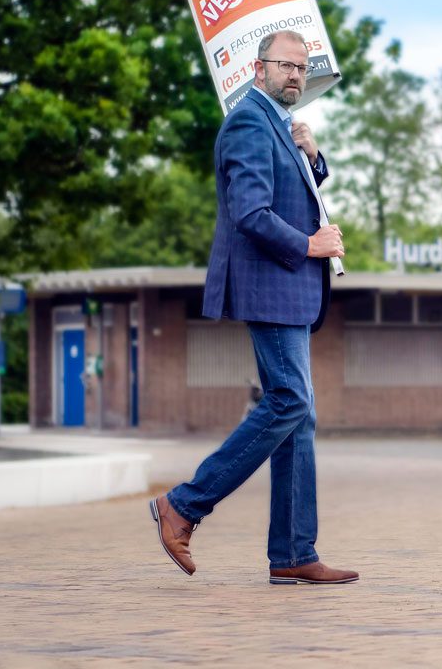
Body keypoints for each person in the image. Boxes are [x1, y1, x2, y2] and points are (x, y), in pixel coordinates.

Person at [149, 29, 355, 585]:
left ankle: (293, 552)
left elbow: (295, 193)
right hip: (272, 284)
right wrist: (310, 245)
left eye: (302, 67)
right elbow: (251, 212)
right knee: (289, 401)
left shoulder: (283, 127)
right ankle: (184, 505)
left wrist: (313, 157)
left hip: (292, 290)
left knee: (299, 416)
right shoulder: (246, 120)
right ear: (256, 67)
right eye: (286, 65)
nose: (296, 75)